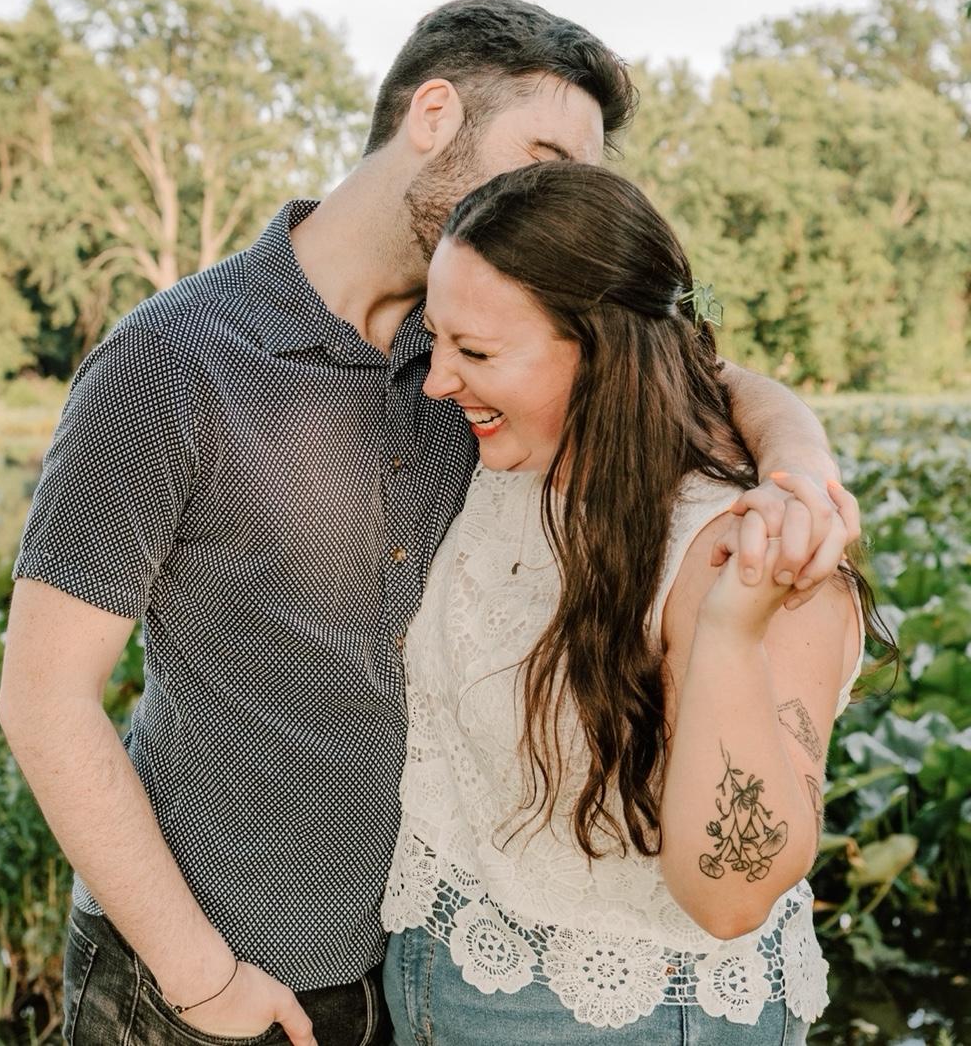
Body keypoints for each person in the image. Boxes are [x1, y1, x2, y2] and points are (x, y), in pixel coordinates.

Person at [0, 0, 863, 1046]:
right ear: (435, 112)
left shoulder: (476, 351)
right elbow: (44, 699)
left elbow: (681, 366)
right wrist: (201, 977)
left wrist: (798, 462)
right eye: (541, 154)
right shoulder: (172, 362)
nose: (557, 198)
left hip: (401, 975)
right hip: (202, 979)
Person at [383, 161, 895, 1044]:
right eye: (437, 338)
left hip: (631, 1014)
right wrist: (799, 447)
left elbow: (734, 894)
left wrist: (730, 632)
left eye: (474, 352)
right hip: (439, 971)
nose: (435, 380)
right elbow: (717, 365)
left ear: (604, 352)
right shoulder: (519, 456)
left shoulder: (746, 556)